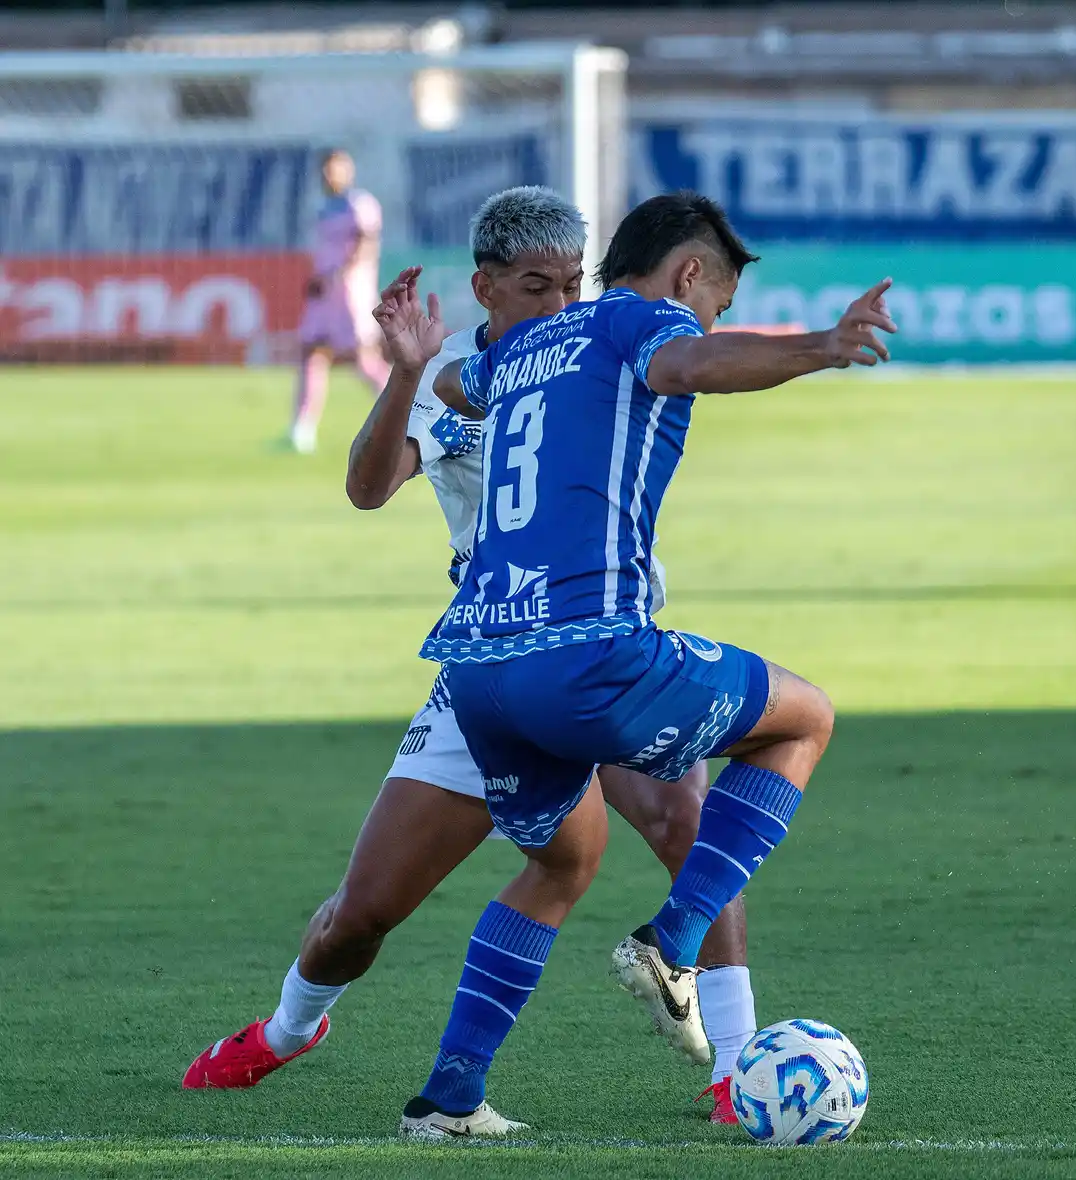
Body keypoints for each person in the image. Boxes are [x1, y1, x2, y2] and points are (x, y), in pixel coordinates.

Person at [181, 190, 760, 1129]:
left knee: (684, 820)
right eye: (536, 286)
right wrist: (406, 374)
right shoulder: (461, 378)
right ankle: (289, 1030)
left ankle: (740, 1071)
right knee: (361, 915)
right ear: (486, 286)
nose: (557, 303)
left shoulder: (602, 343)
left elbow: (690, 364)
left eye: (572, 285)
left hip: (602, 641)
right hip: (488, 665)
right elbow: (368, 488)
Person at [390, 190, 894, 1137]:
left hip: (481, 673)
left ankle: (448, 1099)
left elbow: (458, 387)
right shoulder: (644, 321)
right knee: (806, 717)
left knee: (553, 869)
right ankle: (674, 940)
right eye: (719, 297)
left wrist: (419, 369)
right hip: (589, 652)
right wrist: (819, 347)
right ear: (689, 272)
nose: (714, 317)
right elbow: (693, 359)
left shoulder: (523, 344)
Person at [289, 149, 390, 455]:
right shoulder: (323, 208)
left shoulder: (359, 204)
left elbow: (366, 244)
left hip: (350, 294)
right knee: (312, 354)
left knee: (363, 361)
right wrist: (319, 278)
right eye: (325, 170)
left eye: (335, 169)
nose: (329, 176)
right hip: (325, 294)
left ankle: (412, 410)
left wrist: (340, 277)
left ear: (349, 171)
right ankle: (301, 431)